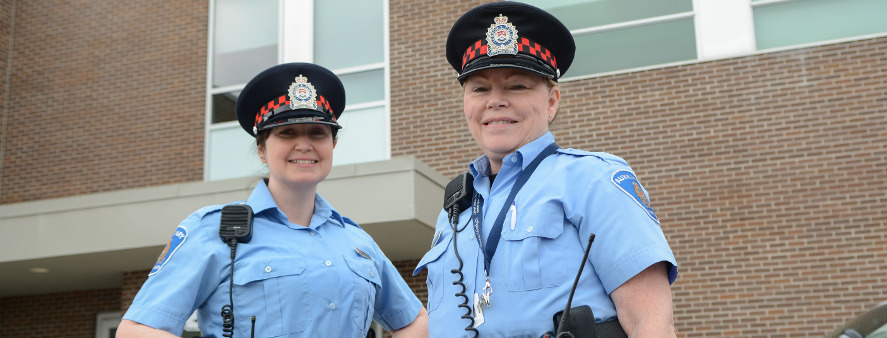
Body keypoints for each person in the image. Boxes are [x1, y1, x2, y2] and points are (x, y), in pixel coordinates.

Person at [414, 2, 678, 338]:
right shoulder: (455, 209)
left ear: (551, 101)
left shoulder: (593, 180)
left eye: (517, 86)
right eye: (479, 88)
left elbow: (650, 322)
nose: (495, 100)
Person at [117, 62, 428, 338]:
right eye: (287, 133)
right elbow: (138, 329)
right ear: (262, 150)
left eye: (317, 133)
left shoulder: (356, 242)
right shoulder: (214, 232)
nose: (304, 144)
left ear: (333, 144)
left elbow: (416, 322)